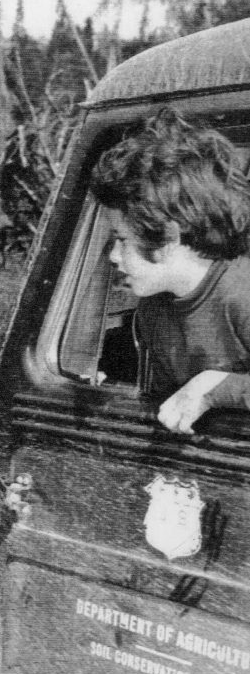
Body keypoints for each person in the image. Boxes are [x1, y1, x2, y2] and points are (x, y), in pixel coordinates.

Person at [89, 107, 250, 433]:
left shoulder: (241, 292)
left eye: (121, 240)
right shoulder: (152, 310)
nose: (113, 257)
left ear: (167, 236)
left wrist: (215, 390)